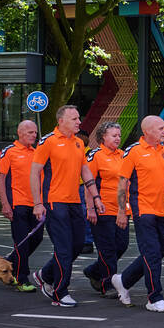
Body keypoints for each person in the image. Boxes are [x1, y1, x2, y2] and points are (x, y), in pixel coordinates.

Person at [30, 105, 105, 307]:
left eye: (78, 118)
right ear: (61, 121)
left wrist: (96, 197)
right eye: (74, 119)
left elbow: (85, 171)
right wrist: (38, 203)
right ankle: (60, 292)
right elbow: (34, 173)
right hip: (54, 201)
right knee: (63, 248)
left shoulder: (79, 143)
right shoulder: (48, 141)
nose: (79, 122)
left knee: (78, 244)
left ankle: (45, 274)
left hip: (74, 201)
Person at [113, 115, 164, 312]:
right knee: (152, 253)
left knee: (158, 252)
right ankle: (154, 297)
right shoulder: (133, 152)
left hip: (162, 209)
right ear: (148, 131)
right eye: (161, 128)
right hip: (142, 209)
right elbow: (122, 183)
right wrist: (121, 210)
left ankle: (124, 280)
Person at [82, 122, 130, 297]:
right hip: (102, 209)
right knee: (107, 249)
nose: (118, 138)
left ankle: (94, 271)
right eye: (113, 135)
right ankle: (107, 284)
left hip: (121, 210)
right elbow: (89, 184)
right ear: (103, 136)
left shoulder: (123, 155)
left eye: (119, 135)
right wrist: (90, 208)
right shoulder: (96, 156)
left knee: (122, 245)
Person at [0, 120, 42, 292]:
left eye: (35, 132)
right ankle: (21, 278)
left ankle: (9, 262)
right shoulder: (9, 151)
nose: (34, 135)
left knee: (36, 239)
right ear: (20, 132)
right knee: (21, 242)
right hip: (17, 203)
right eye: (30, 132)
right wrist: (5, 204)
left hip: (36, 204)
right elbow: (1, 179)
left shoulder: (37, 152)